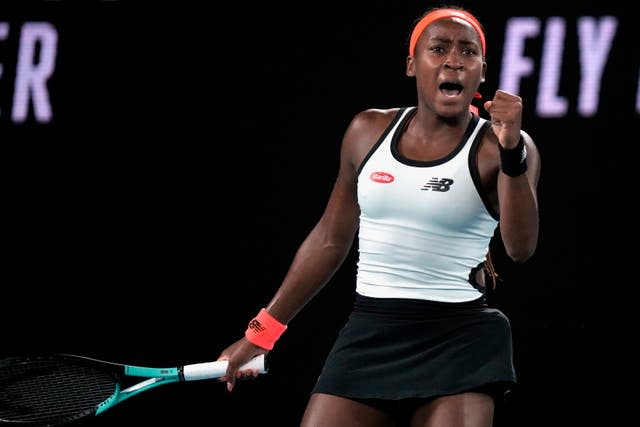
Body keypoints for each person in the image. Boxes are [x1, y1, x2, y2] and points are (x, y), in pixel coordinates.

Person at [218, 5, 540, 427]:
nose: (453, 61)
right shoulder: (366, 131)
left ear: (482, 72)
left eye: (468, 52)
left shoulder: (502, 148)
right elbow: (330, 240)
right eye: (438, 48)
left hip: (461, 340)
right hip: (371, 333)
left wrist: (512, 152)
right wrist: (262, 332)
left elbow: (520, 248)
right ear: (412, 65)